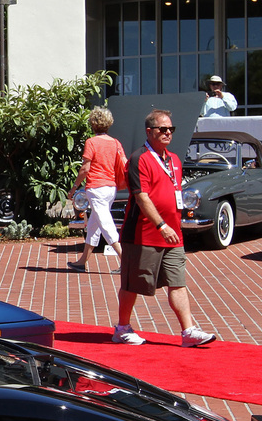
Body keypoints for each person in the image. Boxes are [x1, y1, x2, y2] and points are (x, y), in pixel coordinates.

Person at [112, 109, 217, 347]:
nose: (168, 132)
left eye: (171, 129)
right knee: (132, 284)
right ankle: (122, 328)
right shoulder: (139, 159)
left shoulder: (175, 160)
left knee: (178, 281)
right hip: (143, 233)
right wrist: (161, 225)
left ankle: (188, 331)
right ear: (149, 132)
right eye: (163, 129)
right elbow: (141, 197)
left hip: (173, 234)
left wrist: (173, 225)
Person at [69, 106, 126, 272]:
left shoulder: (91, 142)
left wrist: (74, 187)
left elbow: (85, 169)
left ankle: (126, 261)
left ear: (93, 124)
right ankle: (81, 262)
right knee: (94, 224)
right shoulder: (116, 143)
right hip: (110, 187)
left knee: (106, 224)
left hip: (96, 188)